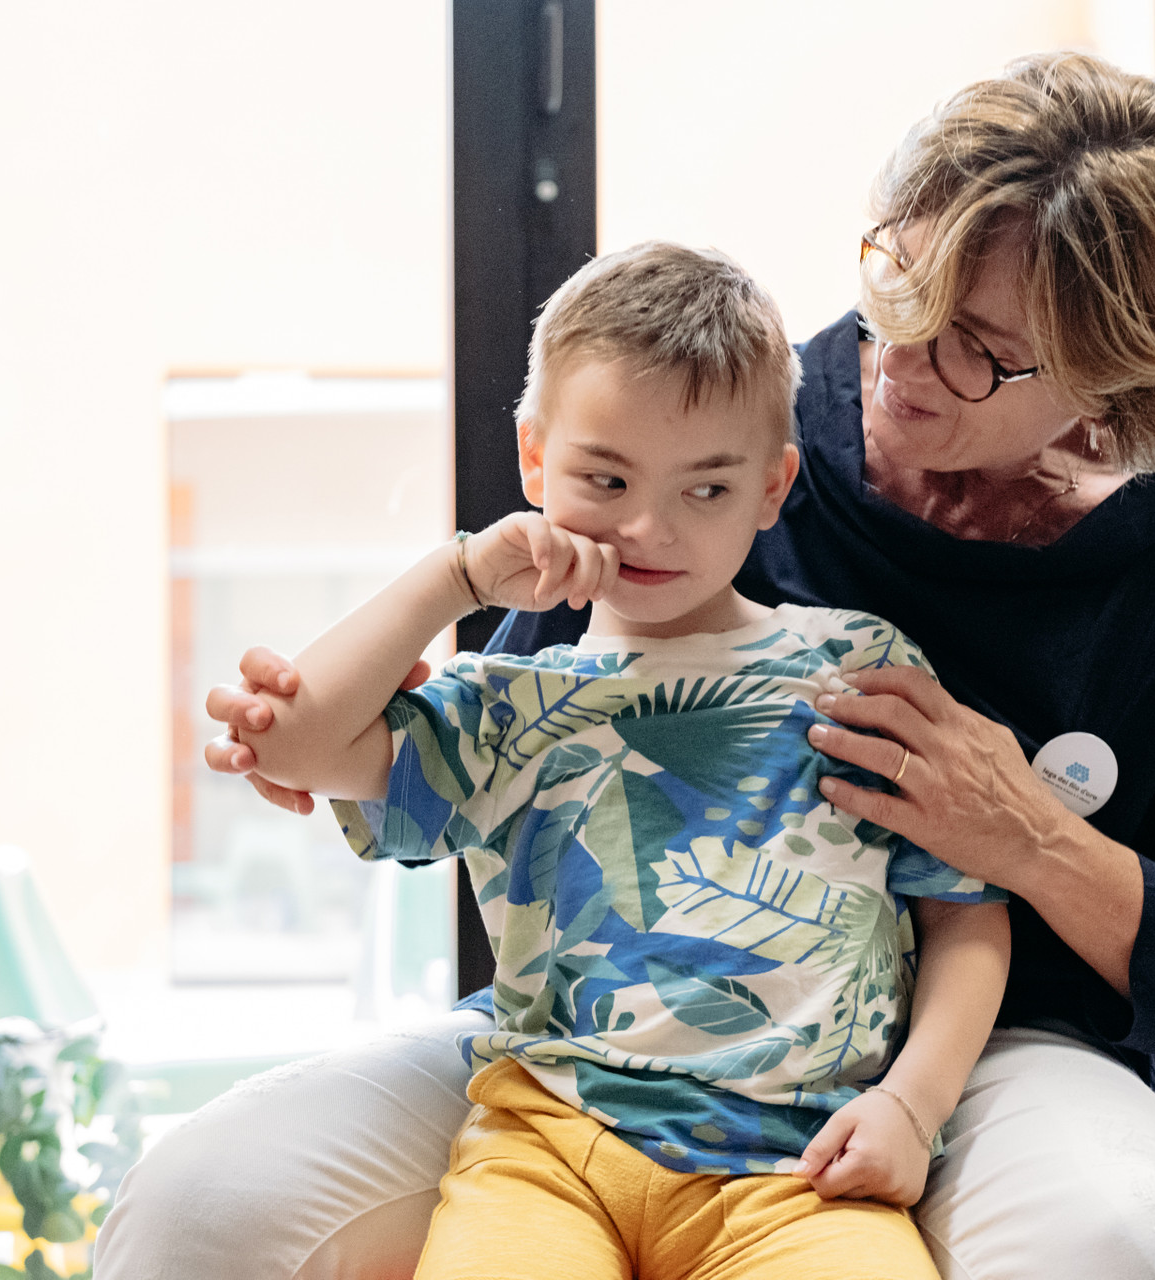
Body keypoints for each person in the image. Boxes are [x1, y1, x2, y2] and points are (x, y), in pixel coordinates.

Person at [95, 52, 1155, 1280]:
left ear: (1114, 390)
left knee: (1121, 1247)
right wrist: (338, 741)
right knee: (205, 1202)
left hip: (993, 1051)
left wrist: (1031, 836)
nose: (901, 359)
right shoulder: (734, 423)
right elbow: (510, 719)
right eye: (899, 281)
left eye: (976, 345)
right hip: (608, 1039)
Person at [220, 240, 1011, 1280]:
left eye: (706, 489)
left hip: (799, 1172)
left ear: (774, 486)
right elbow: (296, 743)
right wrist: (457, 576)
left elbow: (965, 915)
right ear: (535, 459)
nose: (649, 526)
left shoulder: (858, 669)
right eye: (607, 477)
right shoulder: (507, 709)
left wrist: (912, 1104)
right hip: (548, 1152)